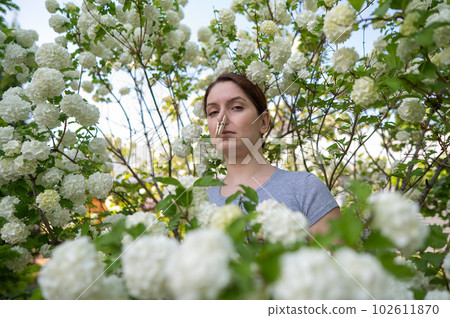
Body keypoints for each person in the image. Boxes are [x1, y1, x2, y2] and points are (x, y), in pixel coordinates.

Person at [203, 73, 340, 235]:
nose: (221, 119)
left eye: (236, 107)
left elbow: (338, 258)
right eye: (213, 112)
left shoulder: (305, 189)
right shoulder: (202, 203)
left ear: (263, 122)